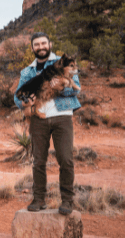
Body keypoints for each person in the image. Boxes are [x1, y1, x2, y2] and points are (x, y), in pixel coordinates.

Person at [14, 32, 80, 215]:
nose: (41, 47)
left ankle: (67, 200)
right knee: (38, 161)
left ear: (49, 44)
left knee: (66, 159)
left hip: (62, 116)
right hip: (38, 118)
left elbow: (76, 90)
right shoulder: (27, 71)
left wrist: (59, 86)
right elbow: (17, 96)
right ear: (33, 48)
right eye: (37, 44)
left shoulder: (63, 62)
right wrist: (24, 102)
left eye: (44, 43)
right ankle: (39, 198)